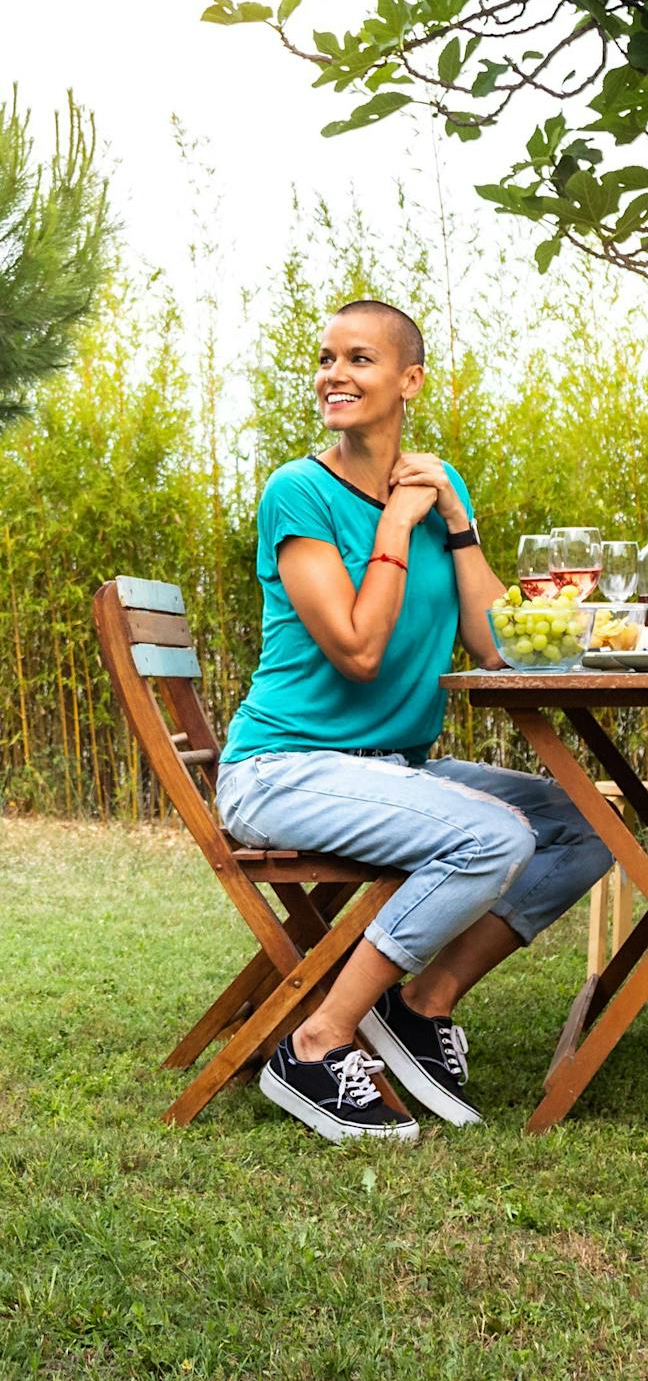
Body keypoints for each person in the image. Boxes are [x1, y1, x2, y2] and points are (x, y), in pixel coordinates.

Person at [216, 299, 612, 1143]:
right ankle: (316, 1044)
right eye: (326, 359)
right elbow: (358, 650)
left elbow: (497, 648)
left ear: (410, 380)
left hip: (389, 767)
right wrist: (397, 522)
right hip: (283, 771)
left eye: (359, 359)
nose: (333, 375)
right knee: (492, 837)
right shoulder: (299, 493)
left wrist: (457, 524)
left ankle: (422, 1004)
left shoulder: (439, 487)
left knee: (588, 826)